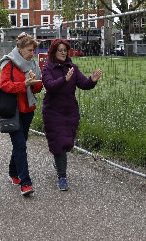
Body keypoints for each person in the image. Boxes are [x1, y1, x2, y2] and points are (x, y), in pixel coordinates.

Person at [41, 38, 102, 191]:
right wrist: (64, 79)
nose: (63, 53)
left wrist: (92, 81)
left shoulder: (72, 67)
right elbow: (49, 86)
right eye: (59, 50)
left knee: (67, 143)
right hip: (52, 111)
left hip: (70, 112)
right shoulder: (48, 68)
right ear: (54, 52)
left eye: (65, 50)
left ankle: (59, 161)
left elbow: (83, 84)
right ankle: (62, 177)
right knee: (59, 143)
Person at [0, 32, 43, 196]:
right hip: (13, 109)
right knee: (20, 145)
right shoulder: (9, 63)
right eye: (29, 50)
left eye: (33, 51)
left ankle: (13, 172)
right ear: (20, 48)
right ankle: (26, 183)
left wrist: (35, 82)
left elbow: (38, 88)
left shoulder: (34, 64)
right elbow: (5, 85)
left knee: (21, 142)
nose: (32, 54)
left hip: (28, 109)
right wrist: (24, 84)